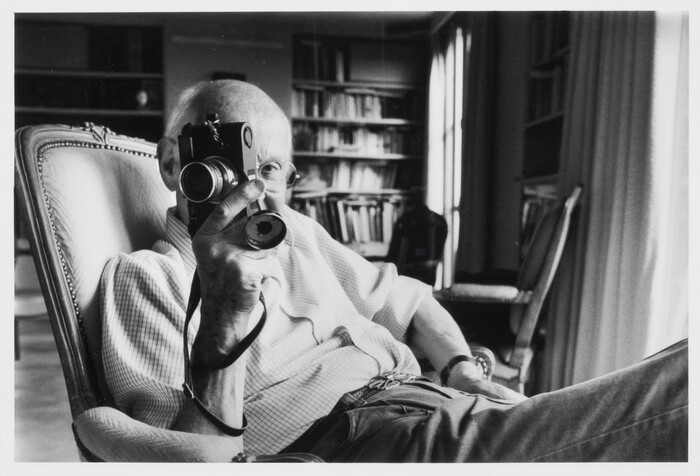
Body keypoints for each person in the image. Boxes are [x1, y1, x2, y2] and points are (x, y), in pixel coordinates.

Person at [101, 79, 688, 462]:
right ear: (173, 163)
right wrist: (224, 312)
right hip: (361, 442)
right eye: (231, 160)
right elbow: (189, 459)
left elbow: (408, 300)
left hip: (433, 400)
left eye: (271, 169)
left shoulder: (297, 231)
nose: (254, 187)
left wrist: (461, 369)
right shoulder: (145, 278)